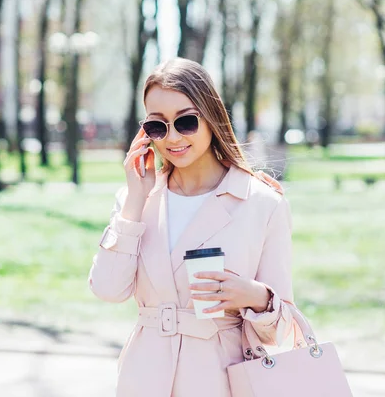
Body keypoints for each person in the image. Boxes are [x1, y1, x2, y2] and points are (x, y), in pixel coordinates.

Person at [88, 58, 295, 397]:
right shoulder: (136, 199)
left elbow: (285, 327)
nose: (172, 138)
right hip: (143, 379)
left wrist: (255, 297)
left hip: (222, 380)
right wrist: (135, 201)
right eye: (157, 126)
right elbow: (108, 290)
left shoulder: (262, 202)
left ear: (211, 117)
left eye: (186, 121)